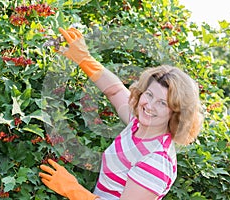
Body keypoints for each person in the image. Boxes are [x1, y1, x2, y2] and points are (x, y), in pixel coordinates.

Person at [39, 26, 204, 200]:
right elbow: (116, 91)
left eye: (162, 103)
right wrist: (84, 59)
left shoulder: (156, 161)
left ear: (176, 112)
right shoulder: (139, 123)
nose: (150, 105)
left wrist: (73, 190)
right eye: (149, 94)